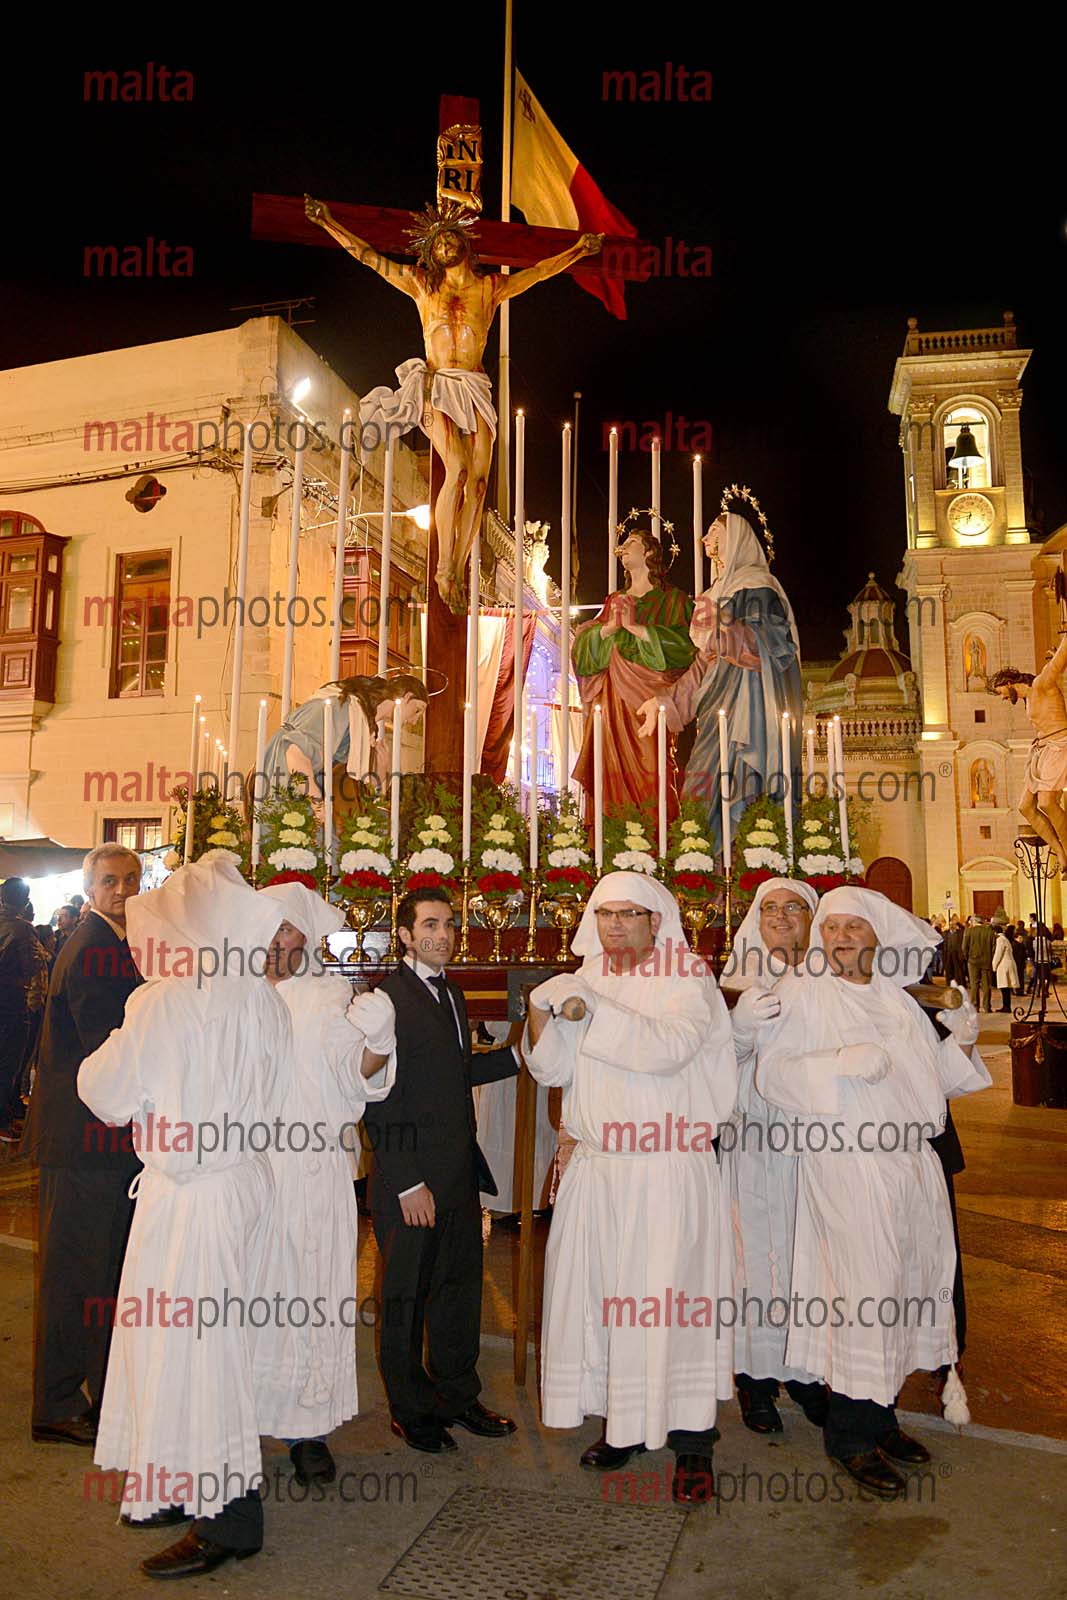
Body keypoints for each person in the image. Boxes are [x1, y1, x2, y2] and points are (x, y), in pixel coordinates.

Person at [78, 856, 292, 1579]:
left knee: (200, 1355)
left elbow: (104, 1092)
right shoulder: (261, 997)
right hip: (239, 1184)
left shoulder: (162, 1003)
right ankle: (175, 1479)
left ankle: (230, 1517)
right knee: (192, 1349)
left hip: (192, 1196)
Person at [754, 887, 991, 1496]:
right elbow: (772, 1074)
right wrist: (836, 1063)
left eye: (853, 928)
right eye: (831, 928)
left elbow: (935, 1084)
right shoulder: (802, 992)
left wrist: (962, 1039)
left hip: (911, 1165)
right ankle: (851, 1436)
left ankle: (882, 1420)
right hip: (848, 1165)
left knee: (903, 1288)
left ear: (878, 936)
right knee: (861, 1295)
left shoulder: (897, 1001)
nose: (839, 938)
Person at [524, 872, 738, 1506]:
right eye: (605, 914)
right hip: (602, 1169)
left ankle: (693, 1440)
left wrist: (591, 1010)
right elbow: (552, 1068)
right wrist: (539, 1012)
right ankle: (624, 1422)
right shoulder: (587, 977)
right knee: (607, 1297)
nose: (614, 925)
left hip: (666, 1168)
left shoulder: (687, 976)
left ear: (656, 922)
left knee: (671, 1301)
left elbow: (668, 1049)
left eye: (628, 914)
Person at [306, 193, 603, 609]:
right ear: (430, 252)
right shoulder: (421, 285)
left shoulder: (490, 288)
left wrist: (578, 250)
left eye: (451, 238)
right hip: (438, 385)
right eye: (438, 242)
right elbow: (368, 258)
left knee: (479, 484)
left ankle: (458, 566)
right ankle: (444, 564)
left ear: (465, 245)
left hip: (475, 386)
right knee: (459, 469)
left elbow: (537, 273)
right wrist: (328, 223)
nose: (445, 245)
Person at [362, 887, 521, 1454]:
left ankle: (457, 1396)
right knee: (406, 1298)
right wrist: (408, 1182)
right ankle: (410, 1411)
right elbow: (377, 1099)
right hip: (411, 1183)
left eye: (450, 924)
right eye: (430, 924)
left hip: (456, 1174)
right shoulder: (386, 999)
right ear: (405, 934)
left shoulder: (451, 992)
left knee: (458, 1290)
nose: (444, 934)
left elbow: (453, 1075)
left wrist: (517, 1058)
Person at [251, 881, 397, 1488]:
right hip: (243, 1173)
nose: (275, 939)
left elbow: (356, 1073)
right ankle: (235, 1420)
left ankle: (306, 1430)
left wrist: (379, 1042)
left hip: (310, 1175)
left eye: (287, 928)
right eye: (268, 925)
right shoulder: (231, 993)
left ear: (307, 937)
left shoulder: (327, 996)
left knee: (307, 1296)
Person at [20, 846, 143, 1443]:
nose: (122, 890)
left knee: (97, 1272)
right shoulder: (94, 948)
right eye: (110, 881)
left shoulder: (114, 943)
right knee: (74, 1278)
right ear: (91, 888)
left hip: (98, 1141)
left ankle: (90, 1395)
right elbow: (107, 1051)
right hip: (82, 1142)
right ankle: (58, 1406)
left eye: (131, 880)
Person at [718, 879, 828, 1435]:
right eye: (769, 909)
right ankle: (755, 1379)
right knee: (753, 1260)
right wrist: (739, 1034)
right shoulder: (734, 983)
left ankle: (806, 1373)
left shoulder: (832, 981)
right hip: (754, 1141)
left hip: (814, 1144)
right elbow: (711, 1064)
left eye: (793, 907)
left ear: (813, 918)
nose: (781, 917)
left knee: (808, 1258)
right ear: (755, 922)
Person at [639, 510, 802, 854]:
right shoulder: (715, 592)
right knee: (698, 790)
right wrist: (666, 700)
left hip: (749, 713)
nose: (705, 538)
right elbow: (703, 665)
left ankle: (747, 867)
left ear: (736, 537)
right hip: (714, 712)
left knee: (743, 791)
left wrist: (722, 626)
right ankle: (699, 871)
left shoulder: (757, 586)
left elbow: (772, 646)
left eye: (714, 530)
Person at [572, 528, 695, 813]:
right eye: (623, 542)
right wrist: (609, 629)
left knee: (654, 768)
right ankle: (611, 832)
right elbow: (582, 652)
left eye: (632, 542)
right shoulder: (613, 602)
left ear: (649, 552)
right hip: (612, 701)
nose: (623, 547)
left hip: (651, 700)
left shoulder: (673, 600)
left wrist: (637, 629)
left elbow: (687, 648)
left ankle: (656, 832)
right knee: (610, 771)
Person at [991, 640, 1067, 874]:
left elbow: (1061, 659)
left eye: (1001, 693)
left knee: (1046, 802)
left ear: (1008, 683)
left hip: (1059, 746)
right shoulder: (1028, 698)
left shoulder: (1042, 684)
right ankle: (1060, 852)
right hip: (1042, 750)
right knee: (1025, 807)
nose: (1003, 698)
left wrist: (1062, 645)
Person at [0, 877, 45, 1138]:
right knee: (10, 1063)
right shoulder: (22, 930)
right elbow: (30, 968)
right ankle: (3, 1120)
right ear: (25, 902)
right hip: (13, 1003)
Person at [993, 923, 1021, 1013]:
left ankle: (1006, 1006)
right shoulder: (1005, 939)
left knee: (1004, 987)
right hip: (1007, 964)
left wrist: (994, 966)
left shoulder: (1000, 940)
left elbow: (998, 954)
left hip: (1004, 965)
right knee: (1006, 986)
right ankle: (1006, 1006)